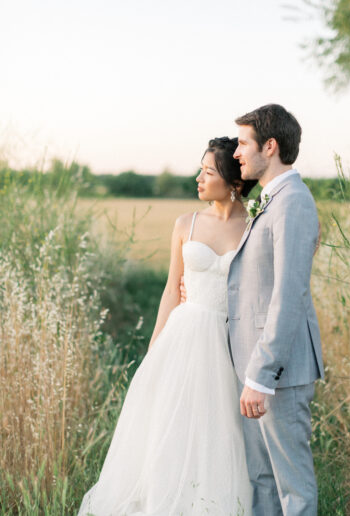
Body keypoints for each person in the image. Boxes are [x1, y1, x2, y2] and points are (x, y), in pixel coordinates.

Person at [78, 137, 257, 516]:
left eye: (208, 171)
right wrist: (154, 347)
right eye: (201, 169)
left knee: (217, 429)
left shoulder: (255, 228)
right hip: (183, 335)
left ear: (234, 182)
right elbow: (169, 292)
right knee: (168, 426)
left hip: (227, 343)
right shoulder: (185, 224)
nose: (199, 178)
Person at [230, 104, 324, 516]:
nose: (236, 152)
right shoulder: (272, 199)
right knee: (262, 480)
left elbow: (288, 296)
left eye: (243, 142)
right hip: (257, 368)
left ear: (270, 146)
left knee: (292, 489)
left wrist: (262, 376)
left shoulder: (293, 203)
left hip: (278, 373)